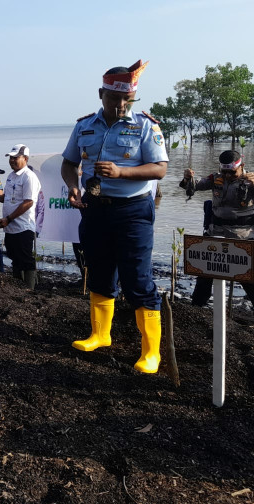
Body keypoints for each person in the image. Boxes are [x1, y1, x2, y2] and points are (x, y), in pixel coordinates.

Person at [61, 60, 168, 374]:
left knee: (138, 278)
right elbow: (69, 164)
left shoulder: (147, 125)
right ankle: (100, 334)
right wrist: (71, 187)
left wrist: (122, 171)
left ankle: (151, 353)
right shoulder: (84, 126)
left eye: (127, 99)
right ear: (101, 93)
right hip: (95, 209)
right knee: (98, 271)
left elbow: (160, 169)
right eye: (113, 98)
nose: (120, 105)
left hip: (132, 211)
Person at [180, 150, 254, 305]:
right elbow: (195, 185)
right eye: (224, 172)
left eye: (232, 173)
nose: (227, 176)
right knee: (204, 272)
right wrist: (188, 178)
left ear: (242, 166)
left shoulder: (251, 181)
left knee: (247, 277)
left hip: (243, 236)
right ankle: (197, 307)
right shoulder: (215, 178)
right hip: (216, 232)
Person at [0, 145, 39, 287]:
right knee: (14, 257)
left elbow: (29, 202)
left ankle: (29, 289)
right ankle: (19, 287)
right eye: (11, 158)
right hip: (10, 226)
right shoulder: (11, 176)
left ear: (25, 158)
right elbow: (7, 198)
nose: (12, 160)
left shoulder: (29, 177)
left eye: (15, 158)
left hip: (23, 226)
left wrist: (8, 218)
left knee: (26, 259)